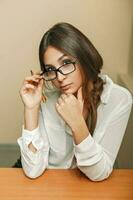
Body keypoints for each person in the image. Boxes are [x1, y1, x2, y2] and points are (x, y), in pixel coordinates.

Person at [17, 22, 132, 181]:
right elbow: (32, 170)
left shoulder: (119, 100)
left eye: (65, 63)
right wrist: (31, 108)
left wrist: (77, 123)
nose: (59, 77)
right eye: (50, 69)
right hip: (51, 186)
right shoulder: (47, 101)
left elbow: (99, 173)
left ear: (84, 56)